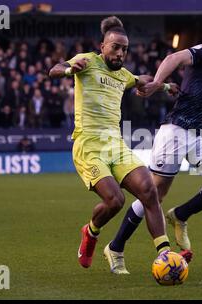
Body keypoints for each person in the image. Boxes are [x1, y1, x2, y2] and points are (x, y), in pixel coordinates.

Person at [106, 24, 202, 274]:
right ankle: (115, 247)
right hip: (177, 130)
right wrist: (158, 82)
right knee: (153, 195)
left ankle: (180, 215)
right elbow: (174, 58)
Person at [49, 16, 178, 272]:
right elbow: (53, 70)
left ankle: (165, 255)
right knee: (115, 201)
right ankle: (91, 231)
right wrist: (68, 70)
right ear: (102, 46)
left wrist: (165, 86)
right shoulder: (86, 61)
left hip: (116, 145)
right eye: (115, 47)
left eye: (125, 48)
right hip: (89, 146)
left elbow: (140, 80)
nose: (120, 53)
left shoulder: (123, 75)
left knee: (150, 191)